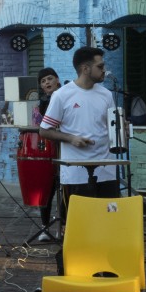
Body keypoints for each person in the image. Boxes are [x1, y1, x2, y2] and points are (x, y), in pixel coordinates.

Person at [39, 47, 120, 216]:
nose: (104, 69)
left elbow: (112, 126)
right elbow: (44, 130)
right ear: (85, 68)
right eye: (100, 66)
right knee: (81, 221)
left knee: (109, 217)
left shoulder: (106, 94)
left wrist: (121, 127)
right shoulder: (61, 95)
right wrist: (71, 138)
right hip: (77, 172)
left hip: (107, 169)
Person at [31, 67, 62, 241]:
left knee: (65, 189)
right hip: (47, 151)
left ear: (57, 80)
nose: (47, 83)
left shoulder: (66, 97)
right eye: (43, 81)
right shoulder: (40, 104)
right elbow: (37, 127)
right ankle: (45, 227)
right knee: (47, 189)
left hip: (65, 149)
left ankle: (63, 226)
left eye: (50, 78)